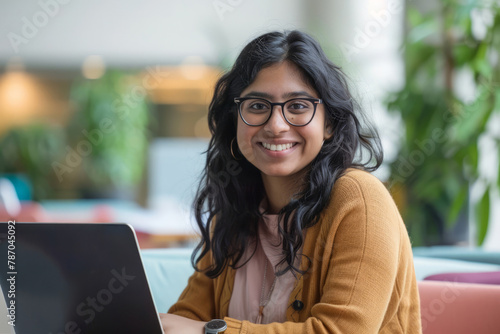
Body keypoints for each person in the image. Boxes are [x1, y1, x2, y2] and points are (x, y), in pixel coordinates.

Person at [160, 30, 422, 333]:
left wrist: (211, 332)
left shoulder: (359, 200)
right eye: (257, 106)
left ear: (330, 124)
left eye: (297, 106)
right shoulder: (233, 213)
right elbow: (184, 318)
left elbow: (341, 331)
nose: (276, 126)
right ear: (235, 122)